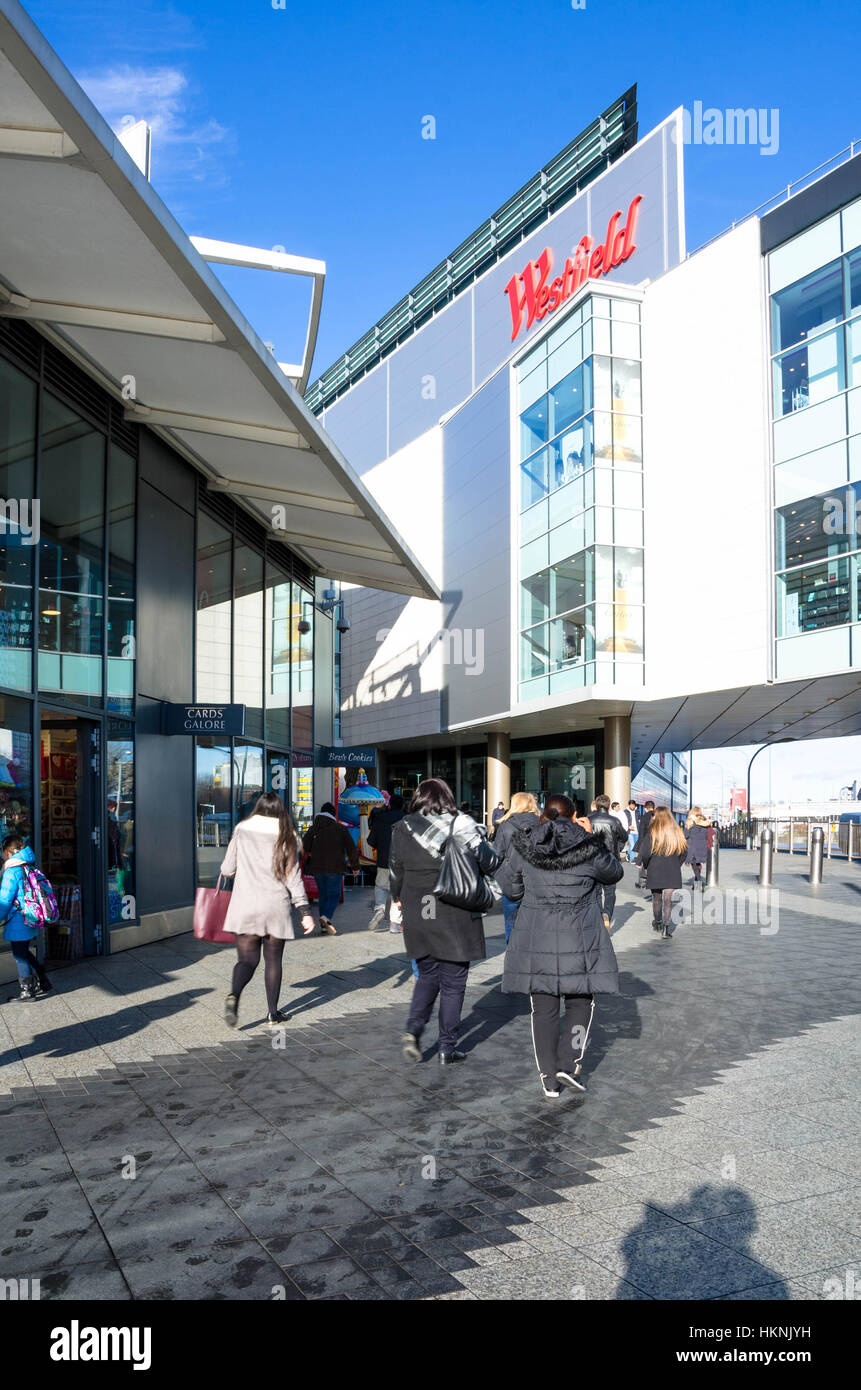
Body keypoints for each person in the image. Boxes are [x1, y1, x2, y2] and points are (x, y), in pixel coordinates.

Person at [498, 794, 623, 1099]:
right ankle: (569, 1061)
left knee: (543, 1009)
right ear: (575, 814)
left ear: (543, 815)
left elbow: (510, 890)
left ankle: (549, 1079)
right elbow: (614, 872)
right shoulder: (589, 847)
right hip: (581, 939)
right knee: (581, 1003)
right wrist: (592, 837)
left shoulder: (525, 846)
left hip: (536, 938)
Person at [391, 778, 498, 1065]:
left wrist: (396, 897)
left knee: (427, 973)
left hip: (418, 909)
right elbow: (489, 861)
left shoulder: (402, 827)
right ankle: (446, 1047)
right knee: (453, 981)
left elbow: (395, 870)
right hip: (454, 909)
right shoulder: (461, 824)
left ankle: (414, 1028)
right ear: (447, 797)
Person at [220, 792, 316, 1030]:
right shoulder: (288, 835)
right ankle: (273, 1014)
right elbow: (292, 878)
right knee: (273, 960)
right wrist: (304, 911)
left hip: (245, 906)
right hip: (275, 906)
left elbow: (227, 869)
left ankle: (233, 995)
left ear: (257, 808)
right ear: (280, 811)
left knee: (247, 960)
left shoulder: (242, 829)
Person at [0, 835, 52, 1002]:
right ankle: (42, 979)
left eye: (1, 851)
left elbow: (5, 900)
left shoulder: (11, 872)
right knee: (24, 951)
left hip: (18, 919)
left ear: (7, 852)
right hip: (31, 917)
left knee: (19, 955)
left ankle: (27, 991)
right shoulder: (28, 866)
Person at [302, 801, 359, 935]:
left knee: (323, 895)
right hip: (335, 868)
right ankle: (326, 917)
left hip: (317, 869)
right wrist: (355, 867)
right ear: (333, 815)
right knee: (334, 895)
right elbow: (351, 848)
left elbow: (304, 846)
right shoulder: (340, 828)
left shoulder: (313, 828)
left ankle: (323, 925)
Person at [492, 792, 540, 943]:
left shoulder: (506, 826)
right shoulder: (542, 824)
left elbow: (496, 854)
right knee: (535, 926)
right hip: (536, 881)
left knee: (511, 923)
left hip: (510, 880)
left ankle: (513, 956)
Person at [637, 807, 687, 939]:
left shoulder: (652, 832)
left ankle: (657, 922)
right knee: (668, 899)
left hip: (655, 868)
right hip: (672, 869)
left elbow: (646, 853)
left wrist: (647, 865)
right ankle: (666, 929)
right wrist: (677, 864)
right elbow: (684, 851)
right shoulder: (677, 832)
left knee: (657, 898)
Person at [367, 793, 405, 932]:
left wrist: (382, 846)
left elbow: (371, 841)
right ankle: (395, 923)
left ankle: (379, 909)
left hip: (383, 861)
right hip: (401, 863)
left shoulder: (380, 819)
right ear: (402, 806)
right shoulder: (406, 821)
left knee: (381, 887)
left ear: (389, 804)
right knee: (398, 891)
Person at [589, 794, 628, 926]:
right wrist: (617, 848)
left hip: (593, 860)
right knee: (610, 891)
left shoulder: (589, 819)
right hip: (611, 860)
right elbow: (624, 837)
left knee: (597, 892)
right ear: (608, 806)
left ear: (597, 805)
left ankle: (600, 916)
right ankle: (607, 914)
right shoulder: (614, 821)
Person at [685, 807, 710, 887]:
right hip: (702, 846)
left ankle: (699, 881)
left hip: (693, 847)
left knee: (694, 864)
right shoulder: (704, 823)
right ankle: (697, 881)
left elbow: (686, 835)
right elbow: (707, 835)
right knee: (698, 864)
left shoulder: (690, 823)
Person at [635, 800, 656, 890]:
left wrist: (640, 845)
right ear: (653, 807)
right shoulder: (656, 816)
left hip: (646, 842)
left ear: (645, 808)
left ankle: (642, 883)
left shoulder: (644, 817)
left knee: (644, 861)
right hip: (656, 842)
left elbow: (641, 832)